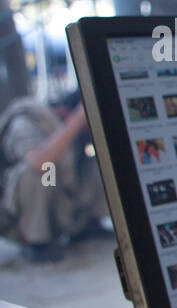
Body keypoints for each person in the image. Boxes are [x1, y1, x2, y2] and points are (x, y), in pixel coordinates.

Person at [0, 89, 108, 263]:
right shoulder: (25, 121)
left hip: (62, 204)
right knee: (41, 171)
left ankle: (87, 227)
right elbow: (39, 163)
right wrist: (78, 119)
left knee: (100, 163)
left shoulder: (79, 134)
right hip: (15, 216)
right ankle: (36, 241)